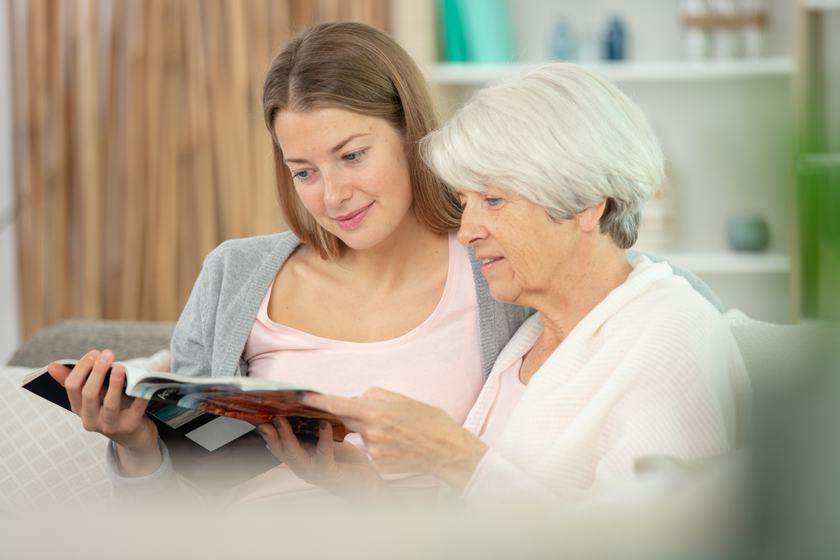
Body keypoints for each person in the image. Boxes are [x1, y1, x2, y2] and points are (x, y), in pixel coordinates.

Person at [47, 24, 723, 507]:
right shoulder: (235, 276)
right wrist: (135, 446)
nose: (331, 194)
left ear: (412, 134)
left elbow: (625, 289)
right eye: (303, 170)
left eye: (352, 155)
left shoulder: (502, 271)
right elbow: (175, 506)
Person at [262, 62, 752, 510]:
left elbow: (640, 543)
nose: (468, 227)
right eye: (465, 200)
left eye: (492, 200)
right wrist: (368, 495)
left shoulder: (670, 334)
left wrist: (453, 455)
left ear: (587, 204)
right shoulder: (528, 341)